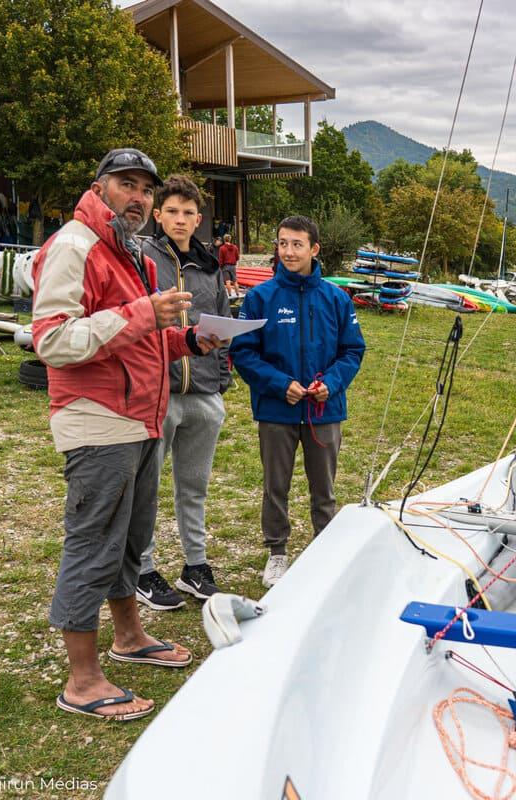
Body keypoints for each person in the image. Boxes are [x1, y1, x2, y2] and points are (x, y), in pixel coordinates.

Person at [31, 148, 225, 721]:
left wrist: (189, 342)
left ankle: (129, 636)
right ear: (99, 187)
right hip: (97, 417)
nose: (138, 196)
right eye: (127, 184)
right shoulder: (74, 245)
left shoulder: (129, 251)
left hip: (140, 415)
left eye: (146, 188)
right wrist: (144, 314)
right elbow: (53, 340)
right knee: (93, 543)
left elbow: (138, 337)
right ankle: (83, 680)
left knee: (132, 540)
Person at [230, 215, 366, 588]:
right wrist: (279, 384)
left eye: (296, 244)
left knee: (324, 487)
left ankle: (325, 548)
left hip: (325, 410)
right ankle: (277, 553)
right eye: (282, 243)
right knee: (276, 485)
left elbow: (353, 350)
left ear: (314, 249)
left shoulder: (337, 299)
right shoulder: (260, 298)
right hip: (278, 410)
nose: (288, 251)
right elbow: (243, 352)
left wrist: (331, 384)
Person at [138, 175, 231, 606]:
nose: (180, 219)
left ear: (199, 219)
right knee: (147, 486)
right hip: (161, 391)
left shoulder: (210, 265)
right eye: (172, 211)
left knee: (194, 485)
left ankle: (195, 566)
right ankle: (142, 569)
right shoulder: (141, 258)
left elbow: (224, 322)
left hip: (205, 393)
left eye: (188, 213)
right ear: (158, 216)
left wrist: (221, 378)